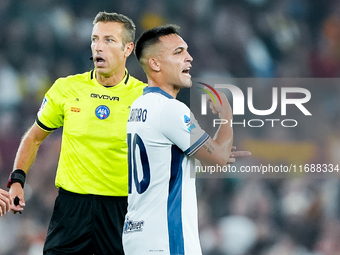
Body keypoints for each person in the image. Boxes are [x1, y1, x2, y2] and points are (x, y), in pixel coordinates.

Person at [8, 11, 145, 255]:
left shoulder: (145, 98)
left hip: (120, 211)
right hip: (71, 209)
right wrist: (17, 180)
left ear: (128, 48)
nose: (98, 47)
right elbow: (33, 138)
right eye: (95, 39)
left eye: (108, 40)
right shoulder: (66, 88)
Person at [123, 25, 235, 255]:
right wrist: (226, 116)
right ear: (155, 63)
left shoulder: (137, 106)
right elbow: (220, 158)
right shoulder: (171, 110)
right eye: (178, 52)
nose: (189, 57)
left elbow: (169, 162)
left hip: (137, 237)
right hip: (167, 239)